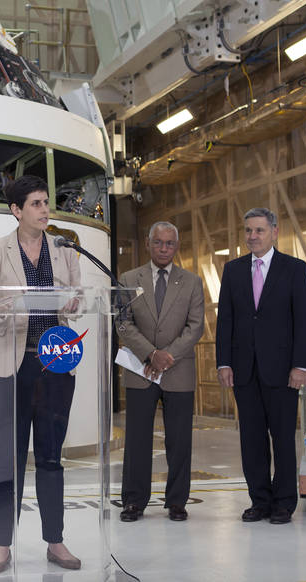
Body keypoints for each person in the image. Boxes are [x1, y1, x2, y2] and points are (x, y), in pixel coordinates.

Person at [0, 175, 82, 574]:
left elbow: (80, 300)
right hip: (11, 365)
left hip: (55, 362)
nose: (44, 210)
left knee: (52, 458)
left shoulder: (64, 248)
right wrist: (13, 305)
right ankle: (3, 544)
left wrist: (72, 303)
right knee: (11, 459)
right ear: (16, 210)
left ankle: (55, 541)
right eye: (36, 204)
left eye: (45, 203)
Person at [216, 207, 306, 525]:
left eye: (258, 230)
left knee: (283, 438)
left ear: (274, 232)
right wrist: (224, 363)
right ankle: (259, 500)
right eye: (247, 231)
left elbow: (303, 322)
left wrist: (301, 366)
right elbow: (225, 320)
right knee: (251, 439)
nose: (252, 236)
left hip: (283, 370)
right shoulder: (232, 270)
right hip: (244, 370)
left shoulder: (294, 269)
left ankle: (284, 502)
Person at [117, 221, 204, 523]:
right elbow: (123, 323)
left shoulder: (192, 282)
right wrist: (150, 354)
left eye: (169, 243)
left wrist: (168, 356)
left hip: (178, 371)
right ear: (148, 243)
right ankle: (133, 501)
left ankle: (177, 501)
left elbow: (196, 326)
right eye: (158, 242)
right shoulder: (129, 278)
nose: (164, 248)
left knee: (179, 440)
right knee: (137, 440)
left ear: (176, 246)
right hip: (140, 370)